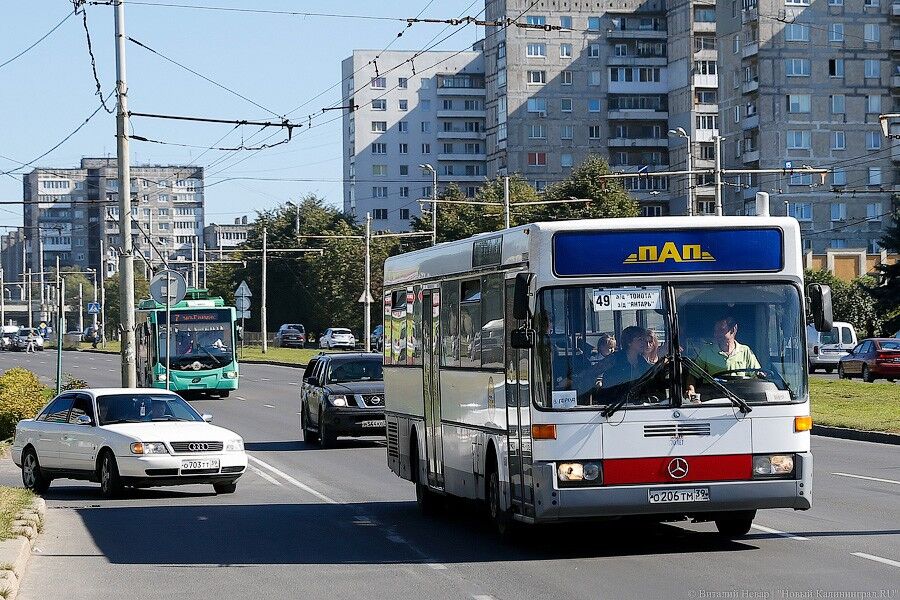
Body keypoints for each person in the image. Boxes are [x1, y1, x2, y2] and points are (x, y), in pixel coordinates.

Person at [686, 316, 761, 401]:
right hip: (714, 399)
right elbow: (693, 375)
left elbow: (756, 376)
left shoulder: (745, 351)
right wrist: (690, 389)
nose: (716, 334)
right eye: (715, 331)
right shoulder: (707, 351)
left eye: (721, 330)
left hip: (741, 401)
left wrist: (761, 376)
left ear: (733, 330)